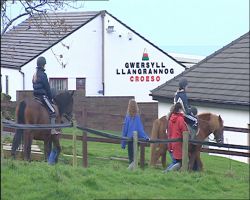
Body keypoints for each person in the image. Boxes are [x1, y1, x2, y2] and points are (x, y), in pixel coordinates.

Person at [121, 99, 150, 167]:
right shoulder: (137, 117)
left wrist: (123, 143)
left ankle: (130, 170)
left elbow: (124, 130)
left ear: (129, 106)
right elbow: (140, 129)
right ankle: (132, 170)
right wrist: (146, 137)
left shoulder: (127, 117)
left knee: (131, 157)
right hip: (136, 140)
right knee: (135, 156)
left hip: (129, 139)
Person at [32, 56, 57, 133]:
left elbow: (34, 86)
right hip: (42, 97)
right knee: (53, 111)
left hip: (35, 96)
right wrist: (51, 98)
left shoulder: (35, 74)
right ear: (43, 65)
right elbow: (47, 88)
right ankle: (53, 130)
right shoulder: (43, 75)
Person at [164, 102, 188, 172]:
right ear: (180, 109)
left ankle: (166, 173)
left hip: (170, 143)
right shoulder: (180, 119)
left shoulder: (170, 118)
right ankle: (167, 173)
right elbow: (184, 131)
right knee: (179, 163)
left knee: (174, 162)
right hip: (178, 145)